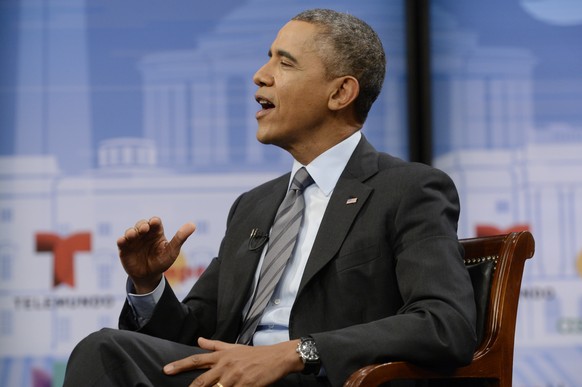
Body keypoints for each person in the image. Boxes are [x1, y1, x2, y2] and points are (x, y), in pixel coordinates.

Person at [64, 8, 477, 387]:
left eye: (285, 62)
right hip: (227, 379)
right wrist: (148, 283)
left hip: (316, 378)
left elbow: (445, 323)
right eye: (268, 58)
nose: (260, 75)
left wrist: (298, 352)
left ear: (340, 93)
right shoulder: (254, 206)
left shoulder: (408, 189)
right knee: (111, 353)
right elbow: (195, 339)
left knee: (104, 350)